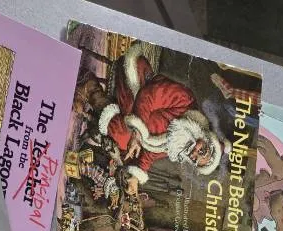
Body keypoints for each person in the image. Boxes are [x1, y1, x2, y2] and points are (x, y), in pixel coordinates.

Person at [79, 43, 227, 186]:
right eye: (202, 150)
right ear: (205, 137)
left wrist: (137, 175)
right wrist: (137, 134)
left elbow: (151, 153)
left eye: (195, 159)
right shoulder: (186, 101)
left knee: (125, 155)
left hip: (135, 119)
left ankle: (92, 116)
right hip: (137, 84)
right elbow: (148, 95)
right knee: (122, 135)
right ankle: (90, 87)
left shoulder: (178, 145)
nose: (194, 152)